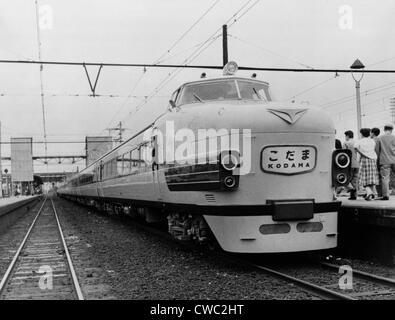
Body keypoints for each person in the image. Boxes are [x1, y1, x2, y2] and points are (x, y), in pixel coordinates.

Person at [354, 128, 379, 201]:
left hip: (365, 160)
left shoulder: (360, 141)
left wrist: (361, 153)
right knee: (371, 177)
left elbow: (355, 147)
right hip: (373, 159)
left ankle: (369, 192)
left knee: (363, 177)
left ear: (361, 134)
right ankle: (370, 194)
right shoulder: (372, 141)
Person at [375, 124, 395, 200]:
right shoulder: (394, 137)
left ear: (384, 129)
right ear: (391, 130)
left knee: (385, 178)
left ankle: (386, 195)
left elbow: (377, 151)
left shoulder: (379, 138)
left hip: (384, 161)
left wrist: (378, 161)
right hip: (394, 159)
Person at [343, 130, 359, 200]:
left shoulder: (346, 143)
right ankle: (354, 196)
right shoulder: (357, 142)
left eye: (345, 136)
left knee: (345, 179)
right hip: (357, 164)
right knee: (354, 180)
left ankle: (350, 188)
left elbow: (343, 154)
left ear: (347, 136)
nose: (345, 137)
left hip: (349, 164)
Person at [370, 127, 382, 197]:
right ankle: (379, 193)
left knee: (375, 177)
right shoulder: (380, 139)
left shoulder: (374, 141)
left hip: (375, 160)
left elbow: (376, 151)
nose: (370, 134)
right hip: (381, 160)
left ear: (373, 133)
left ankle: (377, 193)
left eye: (371, 133)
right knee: (379, 177)